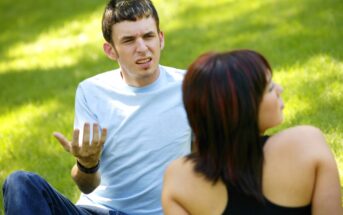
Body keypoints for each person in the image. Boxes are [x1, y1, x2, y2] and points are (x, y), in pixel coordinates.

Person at [2, 0, 191, 214]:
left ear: (161, 38)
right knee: (20, 184)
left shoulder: (190, 86)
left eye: (148, 36)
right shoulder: (92, 92)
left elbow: (218, 164)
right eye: (129, 40)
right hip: (100, 211)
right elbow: (87, 185)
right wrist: (87, 164)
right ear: (110, 50)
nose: (142, 47)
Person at [162, 50, 343, 215]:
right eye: (270, 88)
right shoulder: (306, 143)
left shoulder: (179, 178)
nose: (280, 89)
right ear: (244, 108)